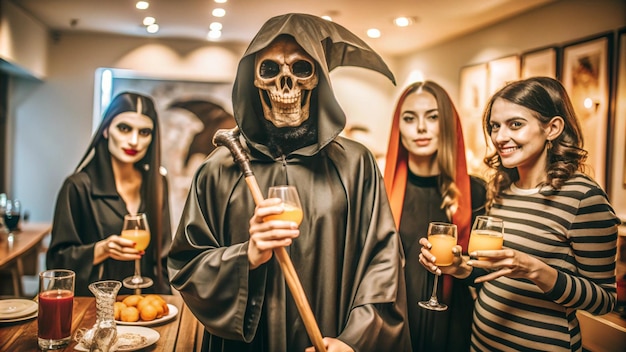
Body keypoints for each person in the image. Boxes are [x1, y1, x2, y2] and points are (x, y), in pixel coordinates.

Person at [167, 13, 411, 352]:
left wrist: (354, 338)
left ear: (319, 80)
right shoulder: (219, 168)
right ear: (252, 80)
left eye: (301, 69)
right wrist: (245, 257)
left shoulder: (357, 164)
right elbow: (186, 265)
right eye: (270, 71)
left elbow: (382, 262)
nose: (286, 85)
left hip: (330, 337)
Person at [419, 76, 620, 351]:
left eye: (515, 124)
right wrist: (460, 267)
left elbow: (603, 300)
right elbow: (493, 274)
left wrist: (534, 269)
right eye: (494, 126)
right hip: (481, 344)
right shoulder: (501, 189)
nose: (500, 137)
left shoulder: (584, 198)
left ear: (552, 128)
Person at [384, 80, 486, 351]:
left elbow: (488, 269)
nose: (421, 127)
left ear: (449, 124)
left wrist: (462, 267)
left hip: (453, 320)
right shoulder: (379, 190)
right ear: (398, 128)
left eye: (432, 117)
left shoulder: (476, 191)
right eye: (409, 118)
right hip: (395, 319)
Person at [47, 91, 172, 296]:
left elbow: (163, 255)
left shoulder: (158, 183)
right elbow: (57, 263)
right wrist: (102, 249)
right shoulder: (77, 186)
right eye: (124, 128)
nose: (134, 141)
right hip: (95, 306)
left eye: (144, 132)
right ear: (105, 130)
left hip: (147, 305)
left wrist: (166, 301)